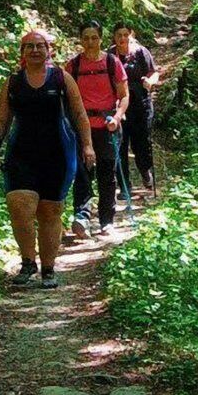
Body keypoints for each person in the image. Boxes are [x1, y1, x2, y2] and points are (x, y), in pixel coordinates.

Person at [0, 29, 95, 289]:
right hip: (21, 153)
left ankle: (48, 268)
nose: (35, 51)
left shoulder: (62, 78)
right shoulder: (13, 82)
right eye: (30, 47)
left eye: (40, 46)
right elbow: (3, 120)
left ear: (48, 50)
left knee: (50, 211)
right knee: (18, 204)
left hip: (58, 153)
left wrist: (87, 146)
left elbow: (80, 114)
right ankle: (28, 262)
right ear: (22, 53)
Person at [64, 20, 128, 239]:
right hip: (81, 129)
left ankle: (106, 220)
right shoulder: (73, 66)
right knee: (82, 173)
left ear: (101, 39)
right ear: (80, 40)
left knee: (107, 174)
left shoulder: (112, 63)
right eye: (86, 38)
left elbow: (124, 95)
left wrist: (118, 117)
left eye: (94, 37)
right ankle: (81, 217)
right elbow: (67, 99)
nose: (90, 42)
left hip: (108, 126)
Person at [108, 21, 159, 194]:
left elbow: (154, 72)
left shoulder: (140, 52)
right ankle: (124, 186)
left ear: (131, 35)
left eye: (125, 35)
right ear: (114, 37)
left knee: (141, 144)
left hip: (141, 106)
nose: (122, 38)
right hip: (119, 107)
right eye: (119, 35)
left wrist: (149, 81)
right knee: (121, 146)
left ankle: (145, 171)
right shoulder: (110, 56)